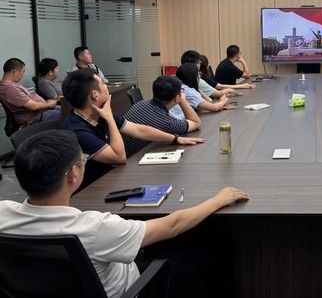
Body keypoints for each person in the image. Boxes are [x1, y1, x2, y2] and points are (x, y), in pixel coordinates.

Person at [0, 130, 249, 298]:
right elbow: (172, 225)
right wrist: (218, 199)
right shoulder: (95, 227)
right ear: (73, 174)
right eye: (82, 159)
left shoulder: (3, 213)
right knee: (216, 248)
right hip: (133, 287)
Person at [60, 69, 203, 190]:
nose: (106, 86)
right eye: (103, 83)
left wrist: (176, 139)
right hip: (92, 190)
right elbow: (119, 157)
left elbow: (139, 130)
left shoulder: (98, 113)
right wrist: (109, 118)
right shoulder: (78, 130)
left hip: (111, 178)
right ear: (94, 95)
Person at [122, 75, 201, 157]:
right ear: (177, 97)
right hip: (132, 160)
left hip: (126, 153)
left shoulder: (140, 103)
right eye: (181, 91)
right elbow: (196, 122)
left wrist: (179, 97)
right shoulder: (167, 123)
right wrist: (182, 100)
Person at [0, 58, 60, 126]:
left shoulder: (11, 85)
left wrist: (46, 102)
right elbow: (33, 106)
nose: (23, 75)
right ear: (15, 72)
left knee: (65, 109)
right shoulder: (9, 88)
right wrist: (49, 104)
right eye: (23, 72)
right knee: (66, 114)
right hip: (36, 117)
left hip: (40, 111)